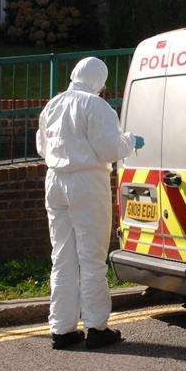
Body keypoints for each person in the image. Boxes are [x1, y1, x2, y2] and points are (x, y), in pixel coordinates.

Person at [36, 57, 144, 350]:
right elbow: (109, 149)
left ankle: (62, 329)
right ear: (99, 80)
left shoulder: (54, 104)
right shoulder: (97, 106)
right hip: (86, 182)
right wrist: (130, 142)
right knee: (92, 257)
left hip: (55, 180)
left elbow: (40, 146)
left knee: (62, 256)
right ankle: (97, 327)